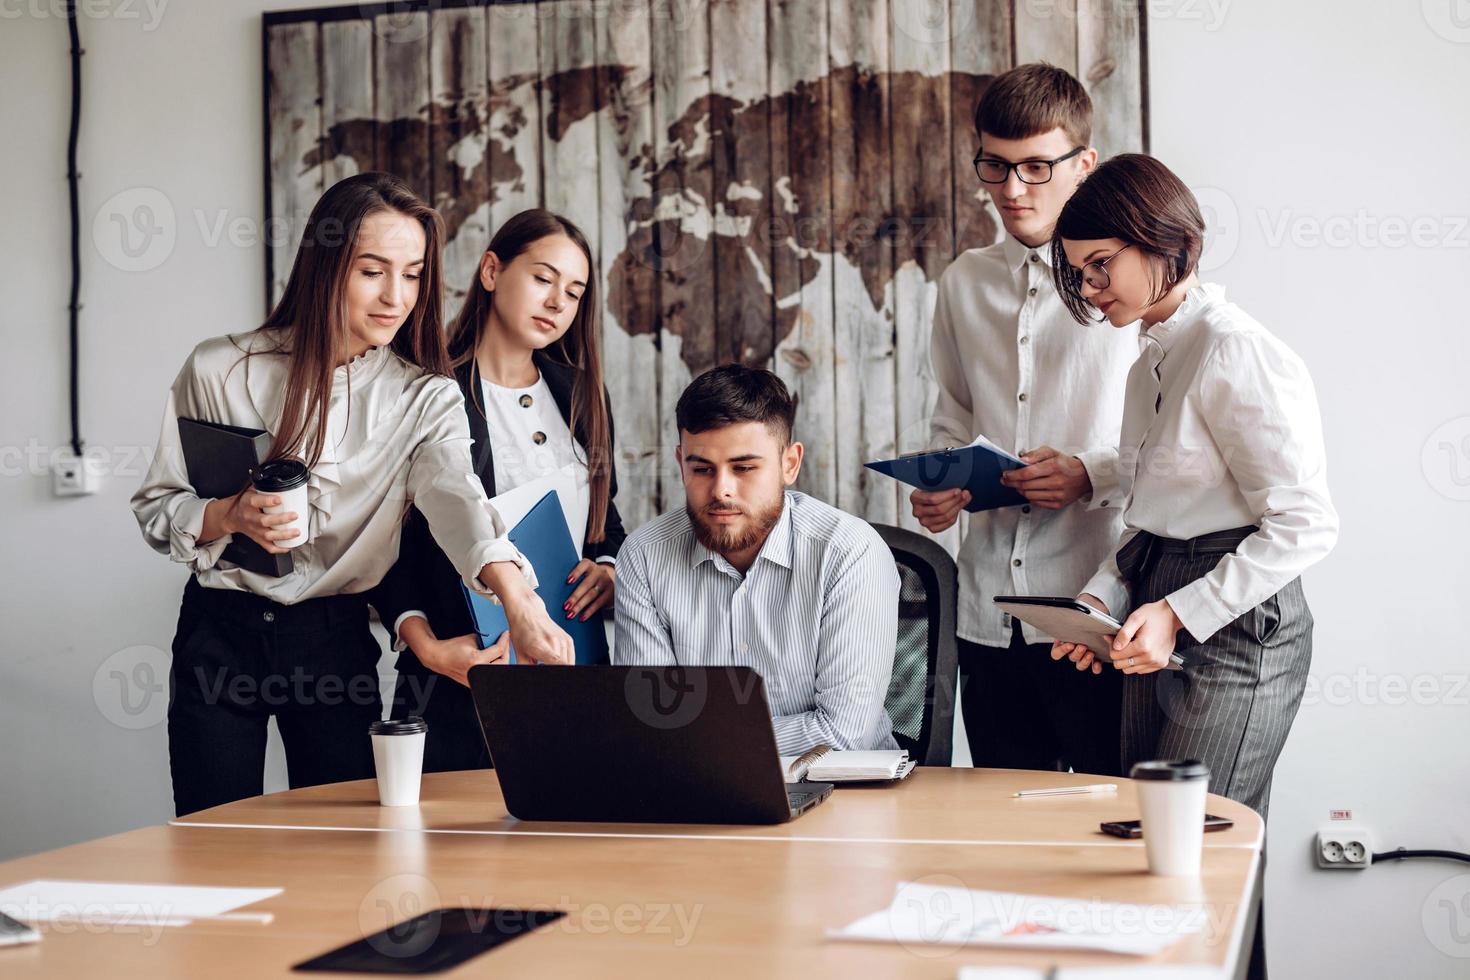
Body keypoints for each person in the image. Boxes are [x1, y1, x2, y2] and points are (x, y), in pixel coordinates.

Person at [131, 172, 572, 816]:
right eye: (372, 271)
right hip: (218, 635)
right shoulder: (218, 369)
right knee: (209, 836)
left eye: (414, 274)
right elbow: (156, 507)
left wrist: (521, 604)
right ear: (325, 265)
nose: (397, 296)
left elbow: (459, 504)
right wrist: (228, 514)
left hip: (332, 641)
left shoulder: (425, 398)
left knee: (345, 848)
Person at [1048, 153, 1338, 820]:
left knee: (1197, 845)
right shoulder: (1145, 362)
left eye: (1102, 264)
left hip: (1237, 622)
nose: (1090, 287)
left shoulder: (1236, 349)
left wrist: (1178, 614)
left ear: (1163, 239)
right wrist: (1098, 601)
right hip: (1158, 589)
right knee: (1154, 836)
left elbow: (1306, 523)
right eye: (1079, 271)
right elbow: (1152, 516)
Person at [910, 63, 1136, 775]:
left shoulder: (1131, 283)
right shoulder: (962, 283)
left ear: (1083, 163)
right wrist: (941, 480)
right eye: (995, 166)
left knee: (1108, 828)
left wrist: (1086, 475)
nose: (1012, 190)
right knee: (1005, 830)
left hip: (1097, 611)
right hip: (987, 612)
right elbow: (950, 417)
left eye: (1036, 167)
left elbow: (1173, 448)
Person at [369, 210, 625, 773]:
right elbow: (385, 547)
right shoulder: (424, 392)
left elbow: (608, 522)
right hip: (460, 671)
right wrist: (429, 649)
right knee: (445, 854)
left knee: (570, 841)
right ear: (491, 270)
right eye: (542, 278)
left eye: (575, 291)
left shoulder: (582, 393)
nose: (558, 302)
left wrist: (607, 566)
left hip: (572, 672)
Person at [613, 366, 900, 754]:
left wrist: (698, 741)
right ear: (681, 463)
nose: (721, 490)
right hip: (699, 795)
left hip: (843, 793)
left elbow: (843, 735)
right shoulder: (643, 557)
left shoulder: (850, 552)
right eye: (701, 469)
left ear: (789, 464)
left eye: (744, 468)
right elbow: (649, 725)